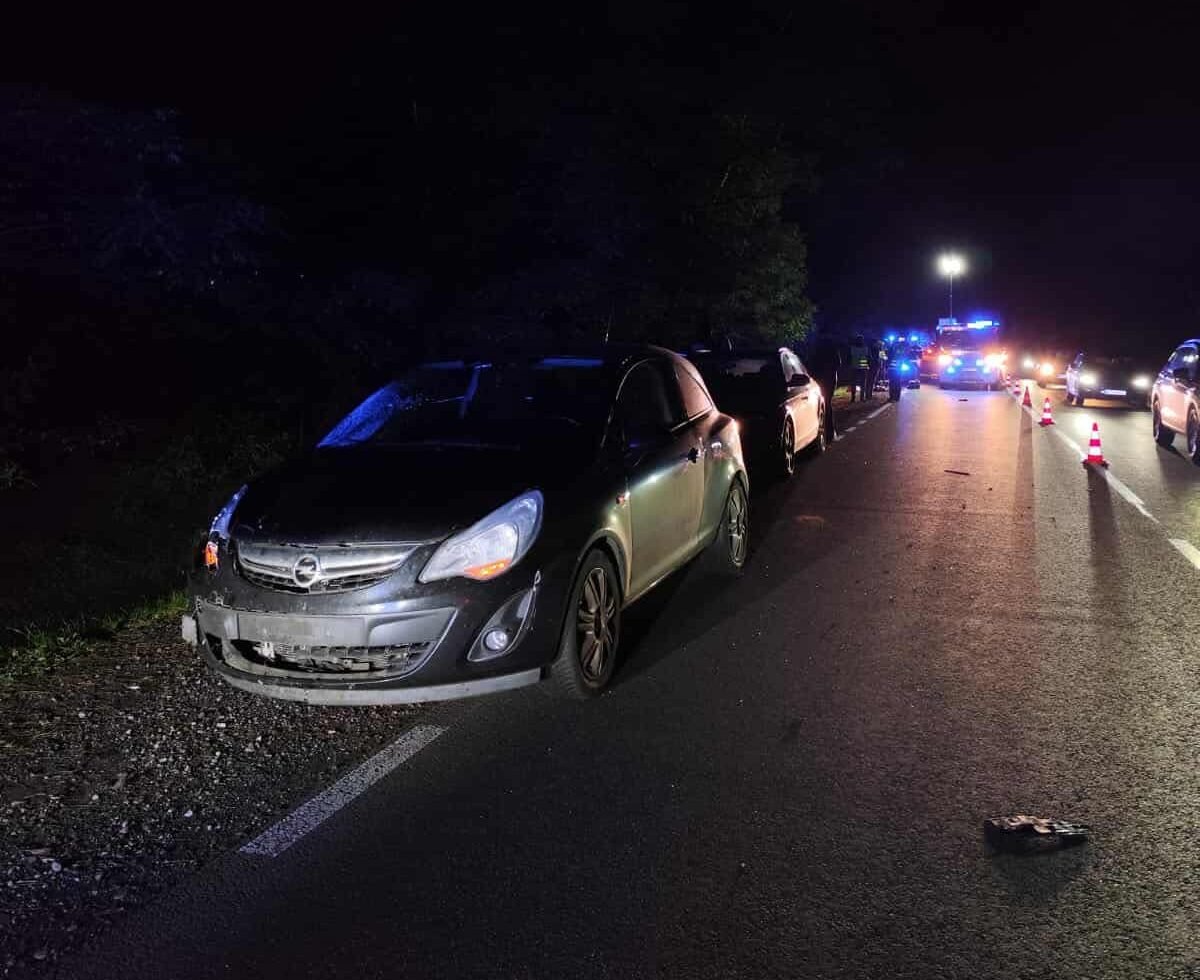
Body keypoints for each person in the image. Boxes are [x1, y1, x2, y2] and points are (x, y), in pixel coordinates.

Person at [803, 334, 841, 440]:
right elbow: (838, 363)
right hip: (829, 380)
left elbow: (810, 364)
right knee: (826, 404)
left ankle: (821, 433)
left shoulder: (816, 350)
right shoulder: (832, 349)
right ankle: (828, 432)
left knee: (820, 405)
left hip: (820, 380)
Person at [848, 334, 870, 402]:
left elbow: (850, 357)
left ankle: (853, 397)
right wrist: (868, 365)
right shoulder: (865, 348)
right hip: (863, 367)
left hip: (854, 367)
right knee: (863, 383)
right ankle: (862, 398)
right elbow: (867, 357)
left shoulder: (852, 348)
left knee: (853, 383)